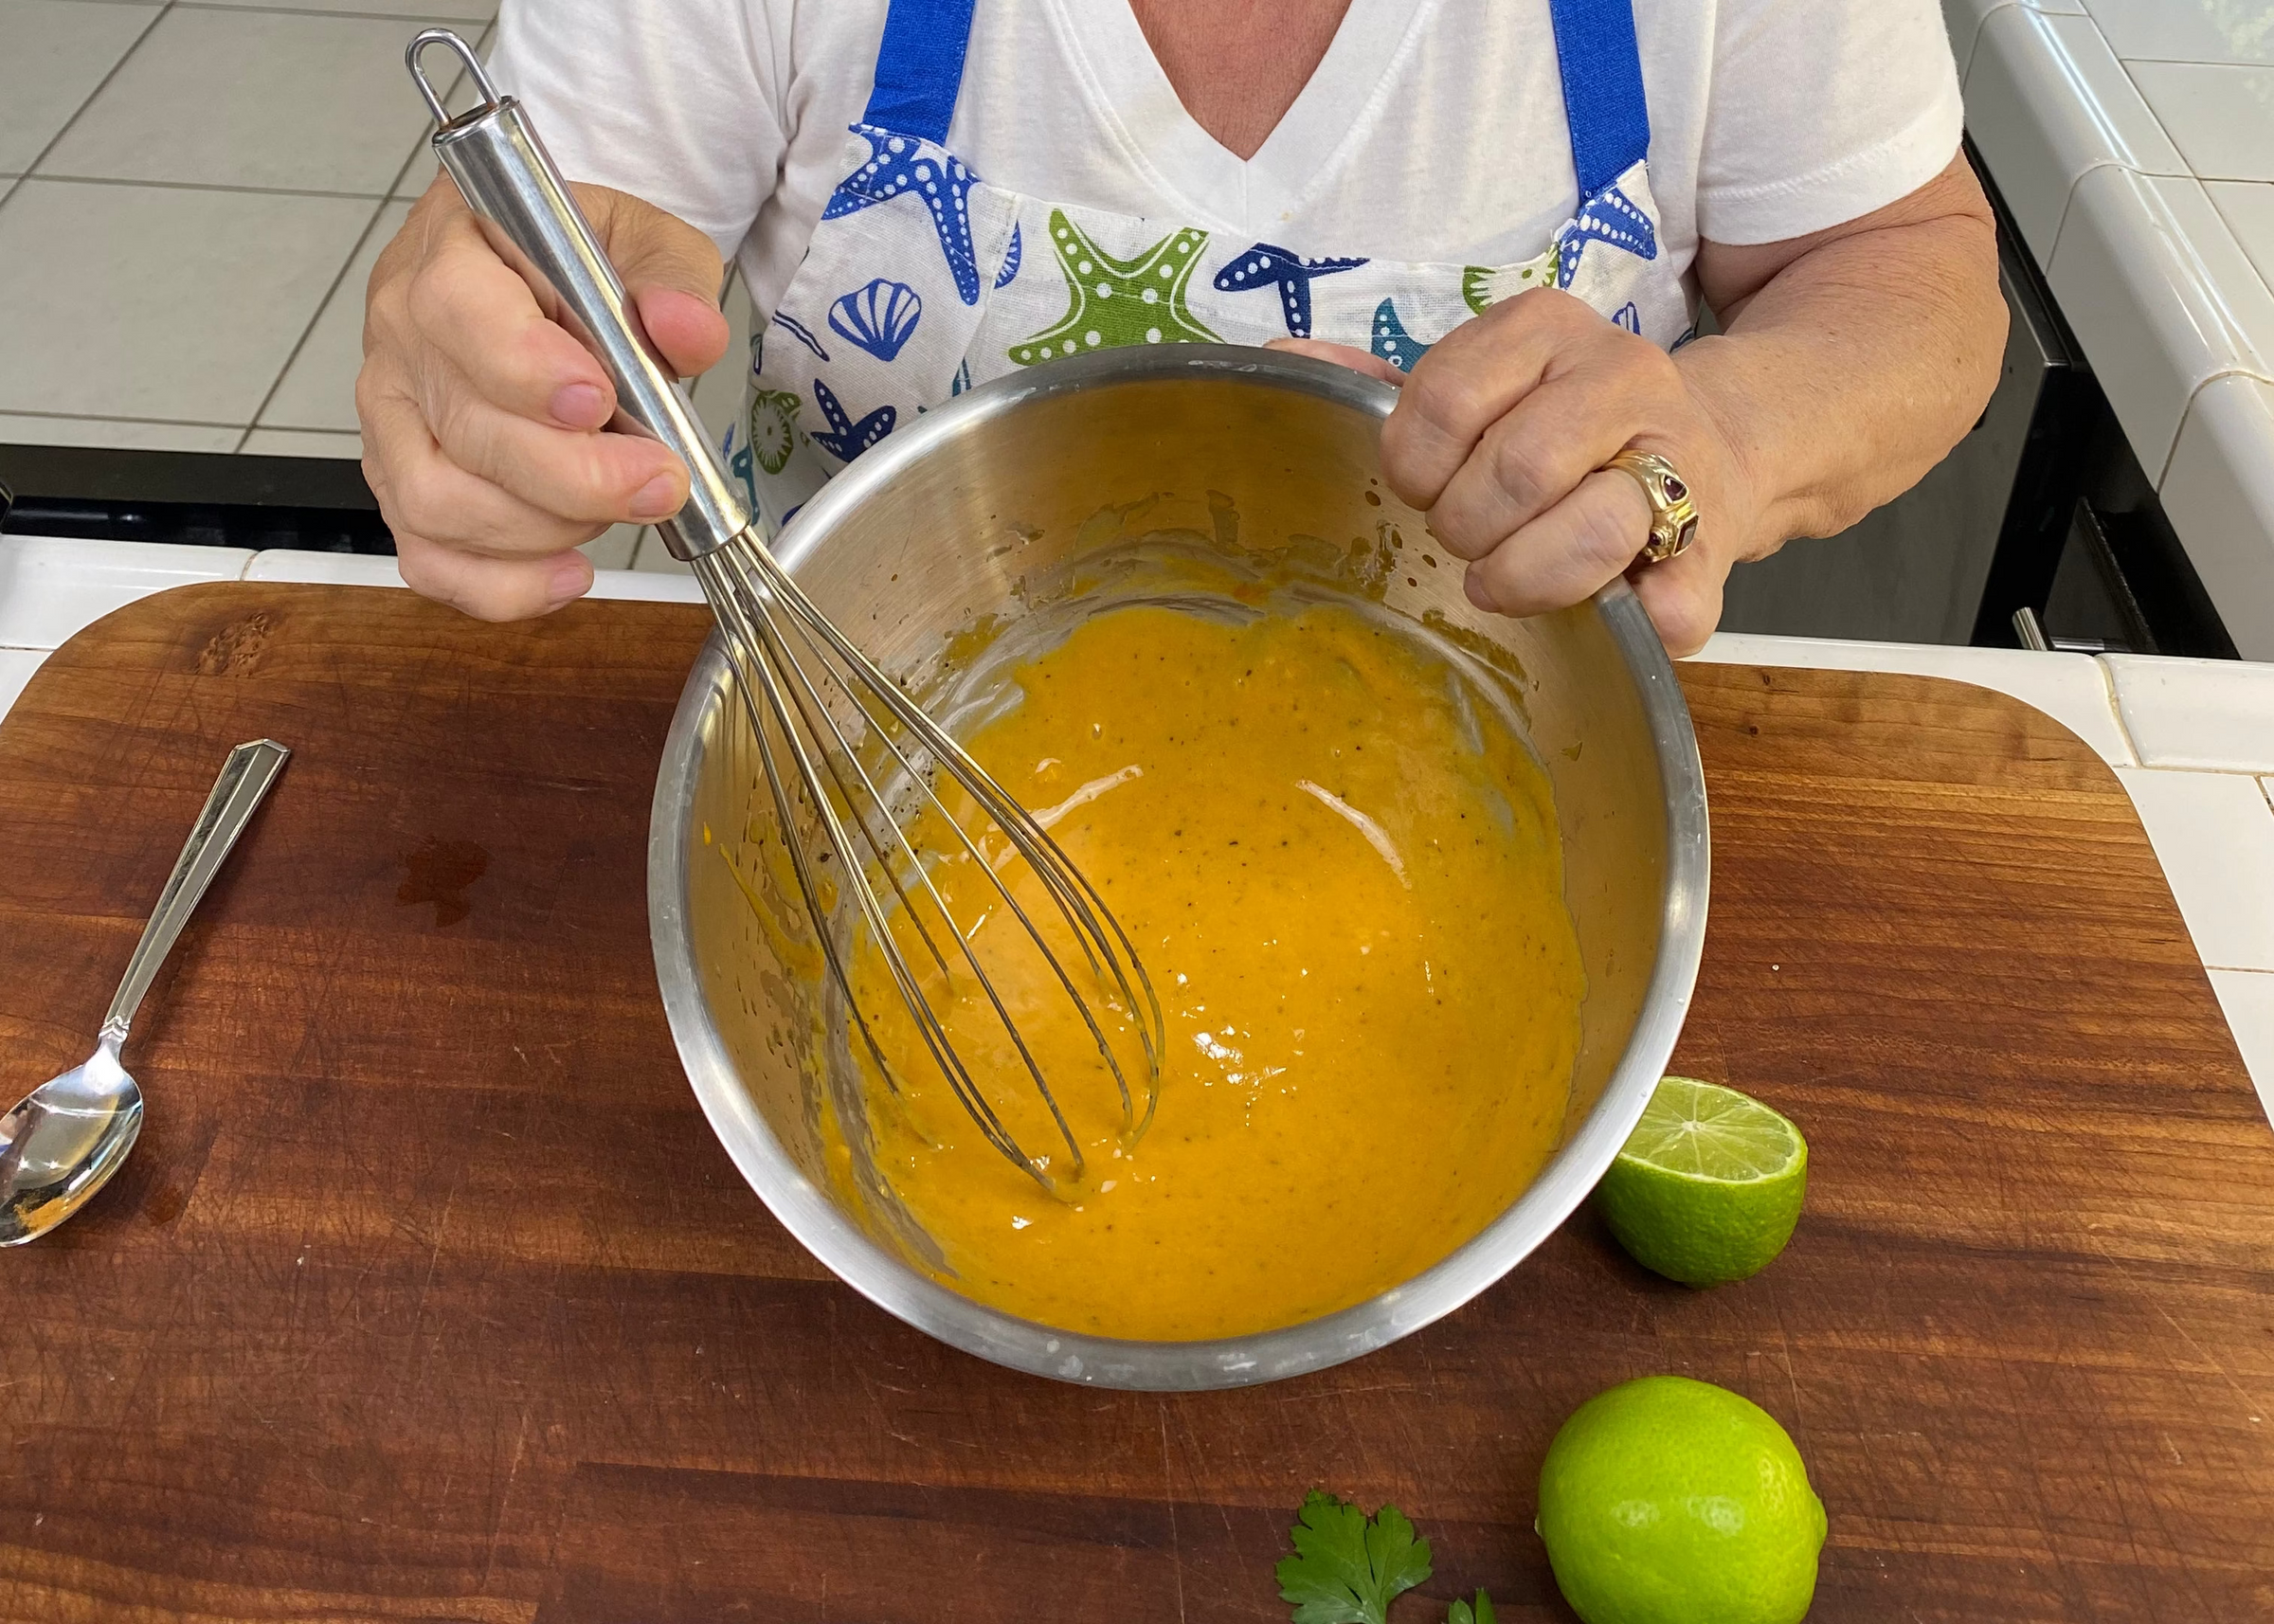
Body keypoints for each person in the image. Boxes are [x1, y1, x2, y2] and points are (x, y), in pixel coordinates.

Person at [356, 0, 2005, 656]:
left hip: (1501, 787)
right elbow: (560, 244)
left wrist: (1727, 434)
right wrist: (488, 361)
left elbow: (1906, 269)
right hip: (877, 776)